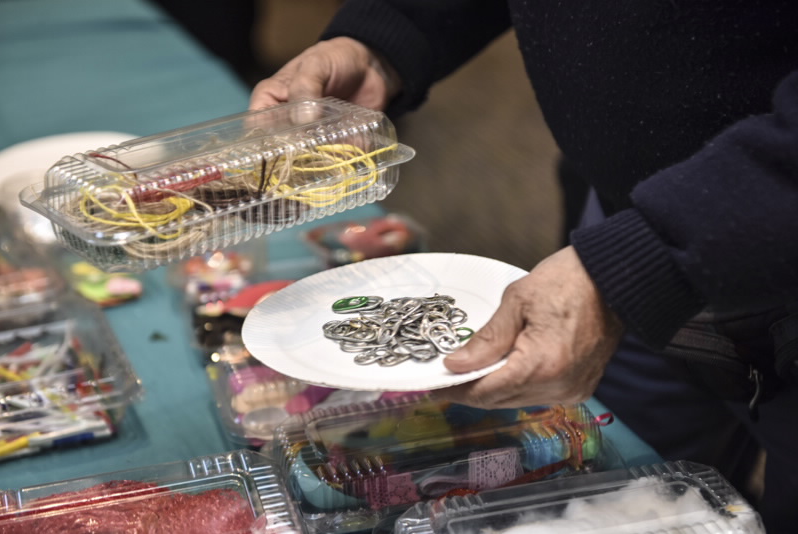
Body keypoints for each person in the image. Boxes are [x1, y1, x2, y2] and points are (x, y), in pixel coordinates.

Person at [249, 2, 798, 531]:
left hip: (727, 255)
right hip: (623, 231)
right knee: (615, 490)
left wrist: (648, 253)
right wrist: (387, 36)